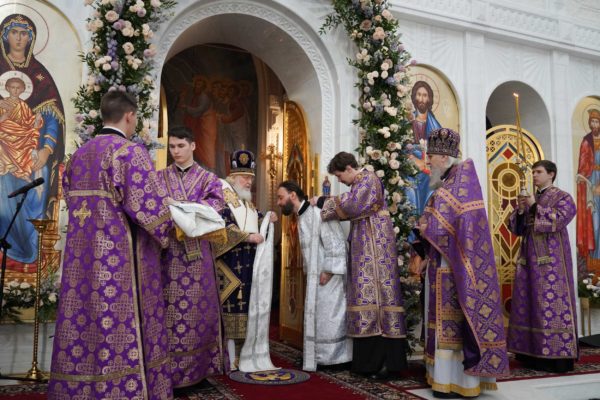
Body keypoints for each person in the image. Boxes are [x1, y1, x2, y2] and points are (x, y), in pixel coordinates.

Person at [48, 91, 175, 400]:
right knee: (117, 323)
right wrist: (169, 231)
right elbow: (151, 210)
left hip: (80, 260)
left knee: (84, 321)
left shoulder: (79, 155)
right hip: (119, 262)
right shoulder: (129, 153)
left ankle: (78, 390)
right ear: (129, 116)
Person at [415, 128, 509, 398]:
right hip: (443, 265)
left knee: (454, 326)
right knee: (442, 324)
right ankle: (441, 378)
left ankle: (458, 382)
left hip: (454, 270)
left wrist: (426, 228)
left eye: (431, 157)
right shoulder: (449, 183)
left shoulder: (460, 184)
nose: (428, 162)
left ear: (444, 157)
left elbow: (449, 226)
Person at [312, 151, 408, 380]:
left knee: (378, 298)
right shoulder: (360, 183)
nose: (340, 180)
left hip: (376, 250)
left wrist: (323, 201)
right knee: (367, 297)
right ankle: (368, 363)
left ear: (348, 168)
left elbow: (353, 205)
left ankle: (385, 363)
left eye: (339, 176)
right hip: (367, 247)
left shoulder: (368, 179)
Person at [159, 126, 226, 388]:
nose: (176, 151)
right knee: (167, 312)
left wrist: (180, 207)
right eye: (172, 147)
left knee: (198, 312)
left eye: (181, 146)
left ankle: (198, 370)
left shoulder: (209, 179)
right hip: (167, 255)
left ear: (193, 146)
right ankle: (166, 372)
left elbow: (216, 207)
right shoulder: (159, 178)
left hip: (197, 257)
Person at [0, 14, 64, 268]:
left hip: (30, 151)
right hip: (2, 151)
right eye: (14, 32)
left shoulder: (40, 77)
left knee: (38, 181)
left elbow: (51, 119)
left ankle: (26, 251)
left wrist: (46, 150)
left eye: (24, 33)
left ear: (31, 38)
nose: (19, 38)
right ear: (5, 37)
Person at [508, 160, 578, 373]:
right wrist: (521, 211)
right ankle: (529, 353)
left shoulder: (562, 197)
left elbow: (560, 219)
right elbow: (516, 228)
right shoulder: (531, 197)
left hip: (552, 262)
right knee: (529, 302)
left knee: (550, 304)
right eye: (533, 172)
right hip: (528, 259)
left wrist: (534, 206)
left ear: (551, 174)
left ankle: (556, 357)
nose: (534, 175)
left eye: (538, 172)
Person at [277, 180, 352, 371]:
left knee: (330, 315)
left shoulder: (318, 212)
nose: (278, 202)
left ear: (292, 195)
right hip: (316, 276)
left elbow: (335, 240)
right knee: (318, 316)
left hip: (329, 275)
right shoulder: (302, 216)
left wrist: (329, 270)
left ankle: (336, 359)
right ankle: (319, 356)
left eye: (280, 197)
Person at [213, 149, 277, 370]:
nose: (249, 182)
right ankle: (228, 358)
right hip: (229, 263)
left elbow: (253, 219)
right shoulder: (221, 194)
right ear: (233, 177)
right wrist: (247, 237)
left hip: (247, 263)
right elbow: (220, 224)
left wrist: (267, 217)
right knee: (231, 309)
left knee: (245, 309)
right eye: (244, 177)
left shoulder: (246, 200)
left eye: (250, 177)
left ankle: (243, 356)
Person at [406, 81, 442, 216]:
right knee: (409, 185)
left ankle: (428, 219)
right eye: (419, 94)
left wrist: (428, 162)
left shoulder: (435, 125)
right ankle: (412, 221)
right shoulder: (407, 121)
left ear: (429, 99)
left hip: (429, 166)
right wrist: (413, 159)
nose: (421, 99)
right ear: (414, 97)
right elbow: (402, 148)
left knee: (433, 180)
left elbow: (440, 150)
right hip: (410, 167)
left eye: (425, 95)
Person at [0, 76, 42, 180]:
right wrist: (4, 118)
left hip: (22, 136)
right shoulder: (2, 104)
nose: (15, 90)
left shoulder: (24, 106)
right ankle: (10, 166)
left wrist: (36, 120)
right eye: (13, 87)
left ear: (22, 90)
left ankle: (24, 173)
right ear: (7, 88)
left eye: (18, 88)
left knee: (29, 146)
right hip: (6, 134)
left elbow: (28, 122)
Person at [577, 109, 600, 270]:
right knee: (595, 224)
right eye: (592, 121)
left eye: (597, 121)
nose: (594, 124)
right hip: (591, 184)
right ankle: (594, 262)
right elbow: (582, 167)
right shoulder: (586, 142)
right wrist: (588, 180)